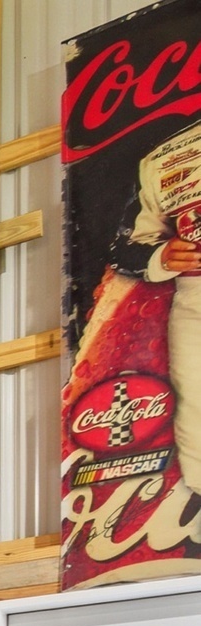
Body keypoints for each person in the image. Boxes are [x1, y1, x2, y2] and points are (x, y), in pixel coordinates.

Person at [111, 118, 201, 481]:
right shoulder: (164, 157)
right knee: (196, 408)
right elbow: (126, 246)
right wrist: (162, 256)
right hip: (195, 300)